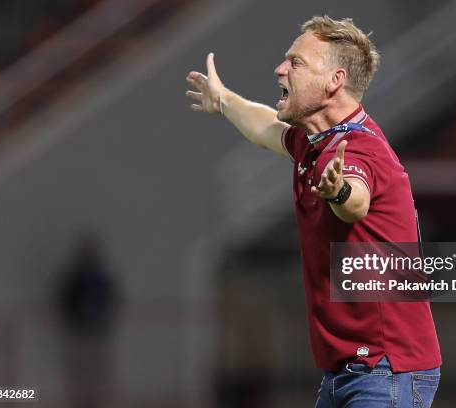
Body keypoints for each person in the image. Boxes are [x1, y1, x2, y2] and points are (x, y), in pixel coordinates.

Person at [186, 15, 441, 408]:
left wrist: (338, 191)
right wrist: (223, 99)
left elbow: (355, 202)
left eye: (296, 62)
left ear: (334, 80)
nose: (280, 69)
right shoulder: (316, 141)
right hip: (349, 373)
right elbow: (265, 128)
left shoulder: (356, 150)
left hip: (386, 371)